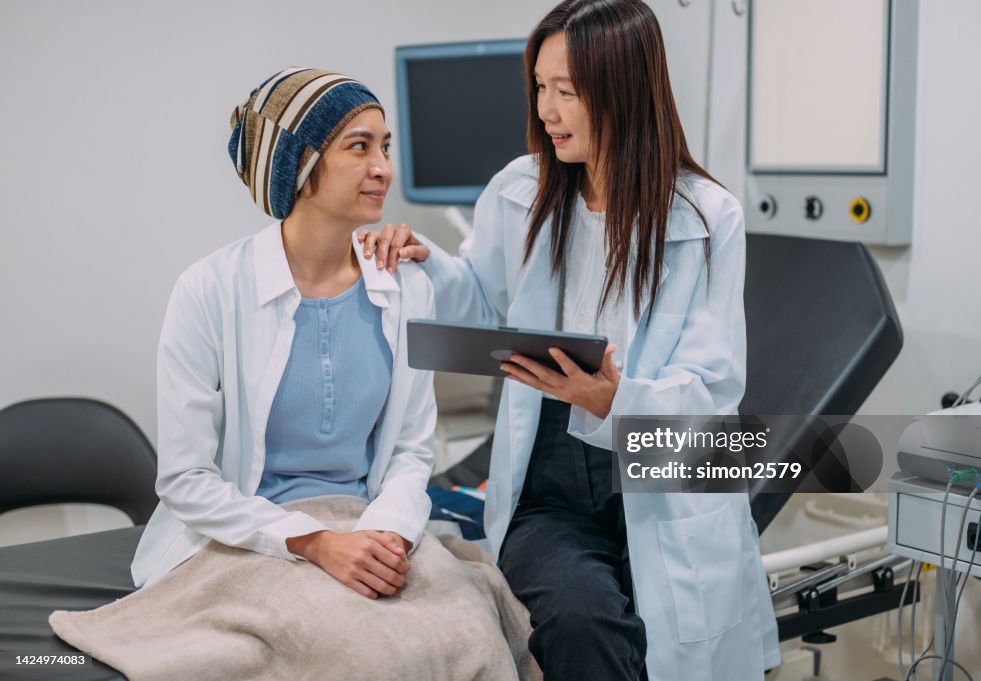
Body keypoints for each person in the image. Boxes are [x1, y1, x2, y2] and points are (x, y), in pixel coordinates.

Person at [358, 1, 780, 679]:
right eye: (540, 88)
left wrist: (620, 397)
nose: (546, 110)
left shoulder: (705, 217)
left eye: (567, 93)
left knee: (672, 640)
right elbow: (482, 302)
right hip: (550, 474)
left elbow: (715, 387)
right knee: (583, 620)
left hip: (661, 463)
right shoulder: (518, 191)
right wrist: (423, 257)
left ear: (623, 91)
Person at [131, 67, 437, 602]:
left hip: (368, 525)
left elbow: (412, 452)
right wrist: (313, 543)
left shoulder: (407, 287)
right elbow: (186, 480)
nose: (383, 168)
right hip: (250, 535)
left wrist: (385, 535)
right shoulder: (209, 289)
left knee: (464, 627)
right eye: (359, 147)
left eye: (385, 147)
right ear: (299, 164)